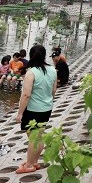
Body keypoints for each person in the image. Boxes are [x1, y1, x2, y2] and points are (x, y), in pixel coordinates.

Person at [15, 45, 57, 174]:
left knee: (33, 138)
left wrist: (20, 113)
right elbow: (54, 90)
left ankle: (28, 165)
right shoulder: (52, 69)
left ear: (31, 56)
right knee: (39, 136)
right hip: (47, 108)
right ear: (44, 55)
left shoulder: (31, 72)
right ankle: (34, 162)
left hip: (33, 109)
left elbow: (26, 95)